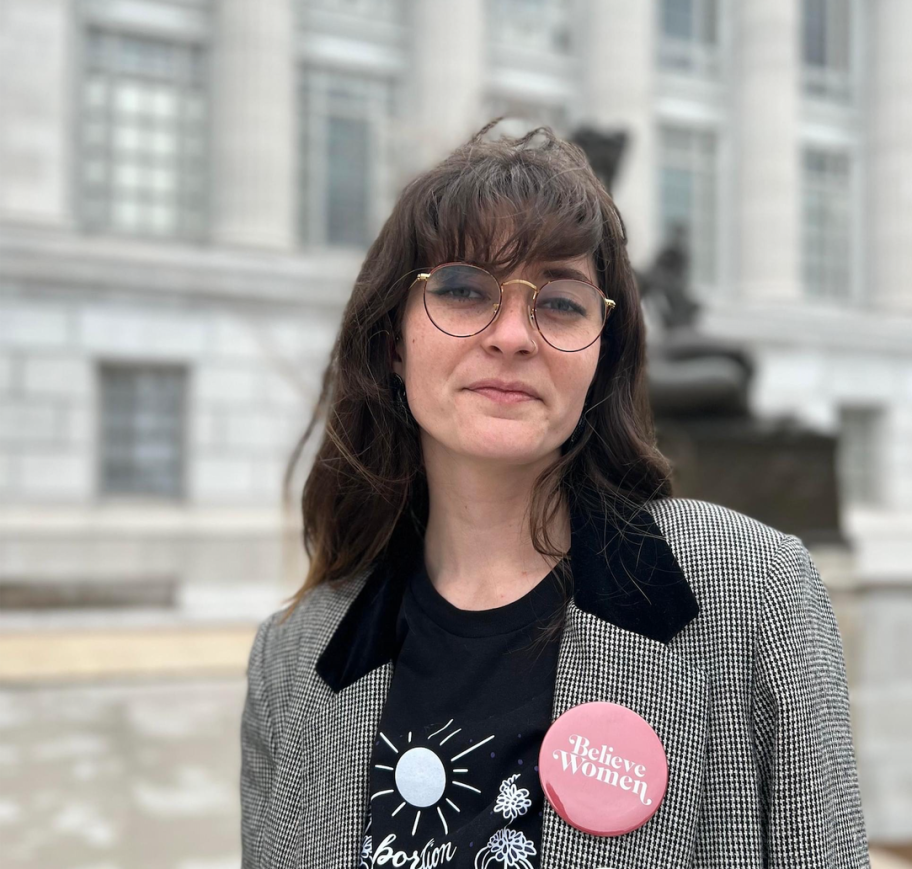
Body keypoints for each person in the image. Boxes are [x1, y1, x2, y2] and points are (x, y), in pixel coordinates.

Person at [239, 119, 870, 869]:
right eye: (465, 290)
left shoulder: (755, 590)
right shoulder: (293, 654)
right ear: (393, 343)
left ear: (601, 359)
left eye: (561, 303)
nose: (512, 334)